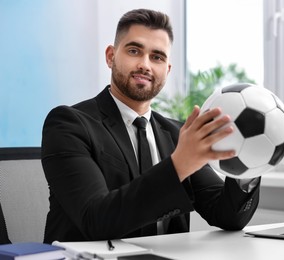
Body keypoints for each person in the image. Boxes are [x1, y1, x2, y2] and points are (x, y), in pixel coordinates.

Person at [41, 8, 260, 243]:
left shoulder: (177, 134)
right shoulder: (67, 124)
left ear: (167, 70)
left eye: (157, 57)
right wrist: (178, 166)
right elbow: (96, 221)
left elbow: (228, 217)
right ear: (110, 56)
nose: (145, 65)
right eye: (134, 51)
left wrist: (247, 165)